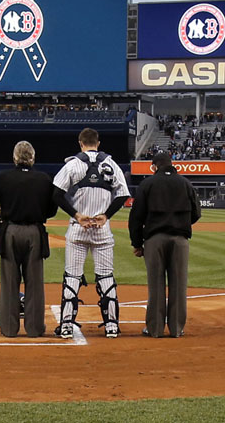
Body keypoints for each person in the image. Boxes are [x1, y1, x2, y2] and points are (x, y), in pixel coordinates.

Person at [52, 127, 130, 339]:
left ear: (80, 142)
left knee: (72, 276)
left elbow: (56, 194)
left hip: (78, 229)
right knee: (106, 276)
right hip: (102, 230)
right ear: (98, 142)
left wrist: (77, 215)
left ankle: (66, 325)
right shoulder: (111, 164)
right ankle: (112, 325)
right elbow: (123, 194)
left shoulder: (73, 165)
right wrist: (106, 215)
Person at [0, 141, 58, 337]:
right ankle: (34, 328)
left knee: (9, 282)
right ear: (32, 157)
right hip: (35, 231)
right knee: (35, 283)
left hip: (10, 231)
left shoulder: (1, 177)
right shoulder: (44, 179)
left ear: (14, 157)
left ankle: (8, 328)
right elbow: (53, 207)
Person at [127, 152, 202, 338]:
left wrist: (137, 243)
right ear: (171, 164)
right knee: (179, 284)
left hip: (154, 239)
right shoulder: (185, 183)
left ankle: (155, 329)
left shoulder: (147, 184)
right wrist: (182, 224)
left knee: (156, 284)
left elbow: (135, 217)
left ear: (154, 166)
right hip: (180, 240)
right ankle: (177, 329)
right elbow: (197, 212)